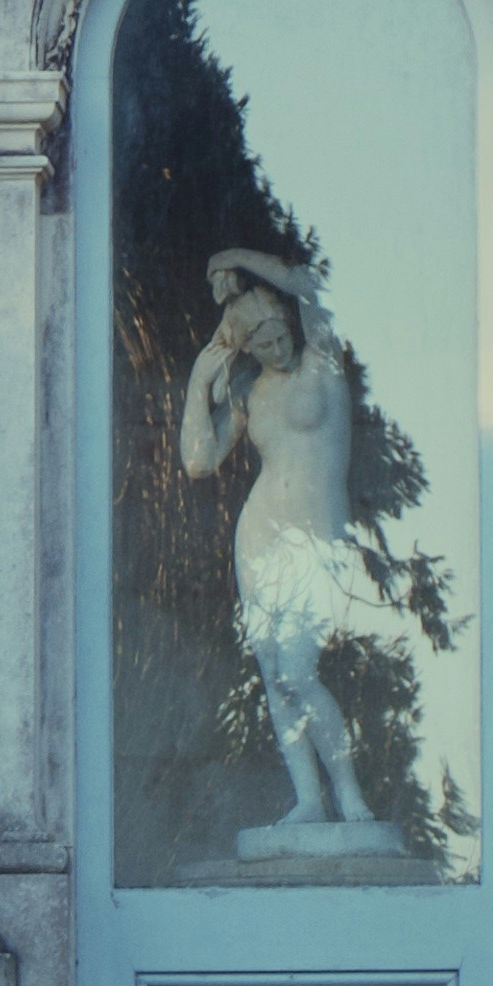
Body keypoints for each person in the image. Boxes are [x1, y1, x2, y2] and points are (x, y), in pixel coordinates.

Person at [178, 247, 396, 852]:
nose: (277, 348)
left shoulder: (322, 361)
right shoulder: (250, 394)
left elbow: (306, 283)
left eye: (280, 334)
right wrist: (198, 385)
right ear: (247, 348)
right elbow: (198, 461)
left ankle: (349, 793)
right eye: (263, 343)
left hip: (318, 538)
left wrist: (228, 257)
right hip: (261, 535)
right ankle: (308, 798)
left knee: (300, 671)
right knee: (276, 677)